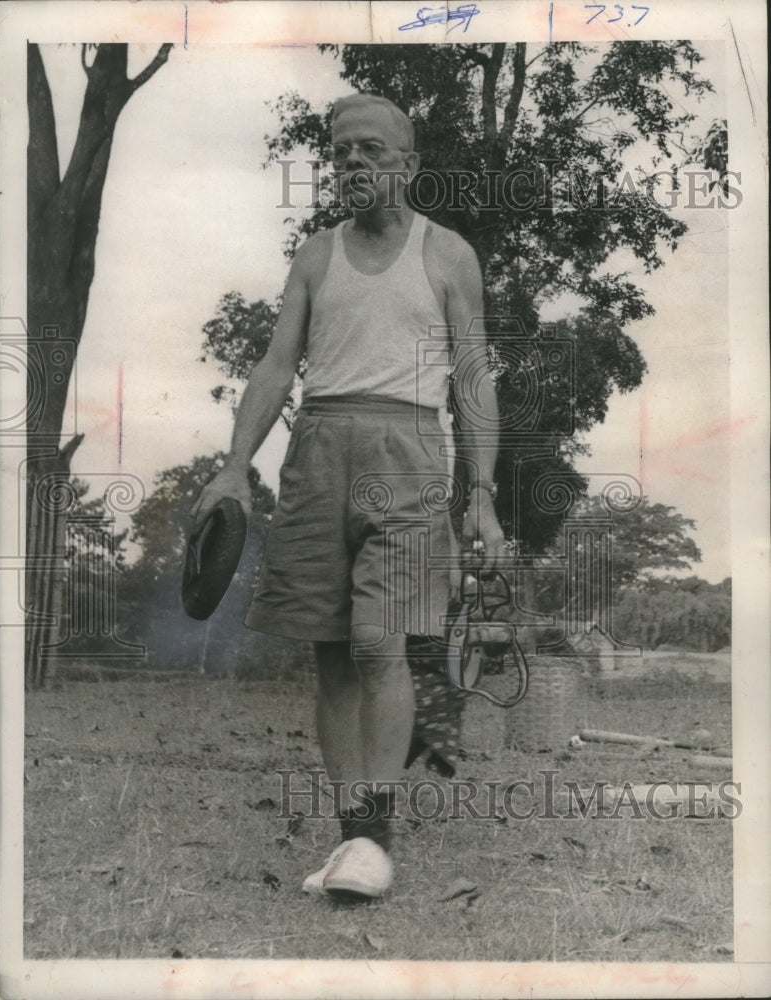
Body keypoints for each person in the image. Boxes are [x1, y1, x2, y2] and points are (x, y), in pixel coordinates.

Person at [192, 93, 505, 899]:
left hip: (408, 453)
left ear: (408, 163)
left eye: (370, 149)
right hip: (317, 450)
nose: (352, 163)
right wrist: (234, 466)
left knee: (377, 643)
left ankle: (376, 836)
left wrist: (482, 494)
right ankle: (354, 838)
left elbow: (473, 380)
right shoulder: (314, 256)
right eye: (340, 153)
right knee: (332, 651)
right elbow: (276, 366)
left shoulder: (448, 256)